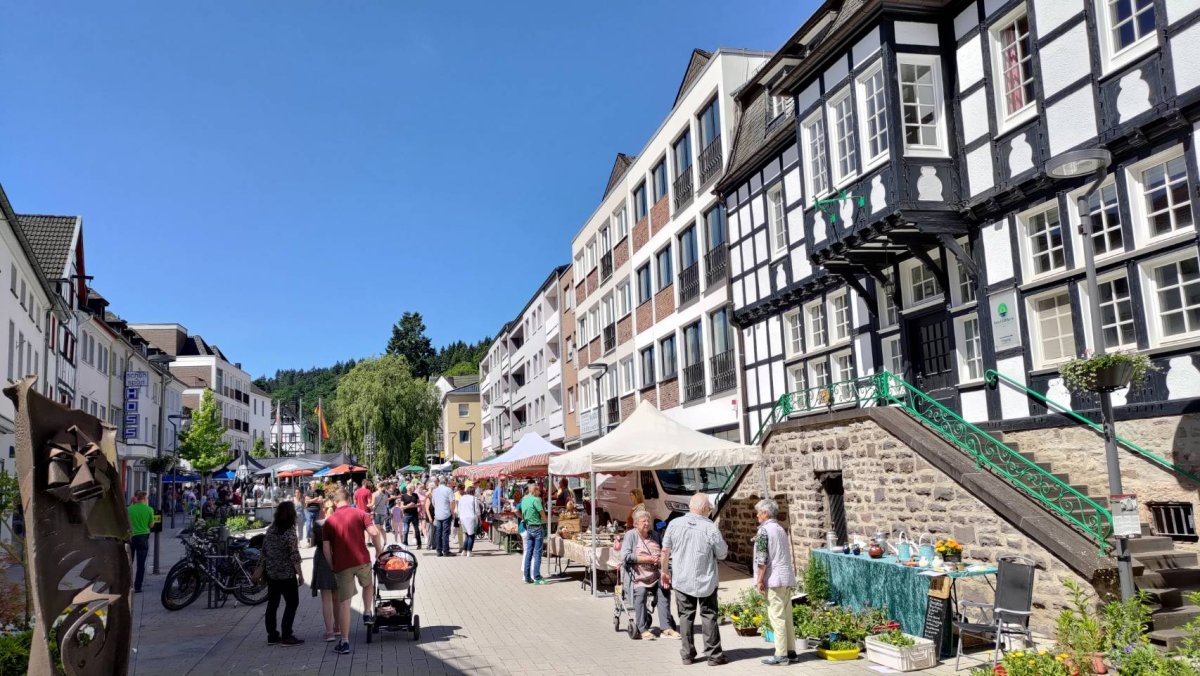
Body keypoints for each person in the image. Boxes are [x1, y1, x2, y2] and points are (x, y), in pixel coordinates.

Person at [661, 493, 728, 666]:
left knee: (685, 616)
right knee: (709, 615)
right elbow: (722, 553)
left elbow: (665, 550)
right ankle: (713, 656)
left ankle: (687, 655)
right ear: (704, 509)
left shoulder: (674, 524)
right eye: (710, 508)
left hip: (682, 578)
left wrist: (664, 571)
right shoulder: (710, 527)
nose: (710, 511)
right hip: (706, 579)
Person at [322, 488, 384, 656]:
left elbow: (326, 548)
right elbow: (374, 532)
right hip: (362, 560)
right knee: (368, 584)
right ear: (349, 499)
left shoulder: (329, 521)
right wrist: (379, 551)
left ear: (335, 502)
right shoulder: (360, 513)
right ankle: (367, 612)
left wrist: (332, 565)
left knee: (345, 604)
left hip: (342, 565)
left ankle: (345, 641)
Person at [622, 509, 680, 640]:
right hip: (637, 577)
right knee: (641, 592)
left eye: (648, 521)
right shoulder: (631, 535)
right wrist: (646, 559)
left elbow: (664, 552)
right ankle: (642, 629)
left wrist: (660, 560)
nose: (647, 523)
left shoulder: (655, 535)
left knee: (664, 588)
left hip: (654, 574)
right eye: (643, 521)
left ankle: (666, 628)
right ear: (636, 523)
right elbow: (625, 556)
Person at [754, 499, 797, 665]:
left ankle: (781, 655)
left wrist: (759, 580)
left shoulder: (764, 531)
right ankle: (791, 651)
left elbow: (762, 559)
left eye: (758, 512)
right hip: (786, 578)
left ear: (765, 513)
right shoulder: (780, 529)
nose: (757, 515)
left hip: (773, 579)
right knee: (787, 617)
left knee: (777, 617)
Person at [262, 501, 305, 647]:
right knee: (292, 603)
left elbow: (264, 550)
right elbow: (294, 555)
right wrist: (300, 574)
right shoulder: (290, 532)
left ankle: (272, 635)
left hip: (272, 573)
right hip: (286, 574)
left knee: (272, 604)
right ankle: (287, 635)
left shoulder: (271, 530)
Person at [310, 499, 340, 643]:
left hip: (322, 559)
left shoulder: (317, 524)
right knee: (337, 597)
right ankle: (338, 627)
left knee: (326, 599)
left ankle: (329, 632)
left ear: (323, 509)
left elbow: (312, 542)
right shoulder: (339, 523)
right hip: (339, 559)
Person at [519, 482, 547, 584]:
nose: (539, 492)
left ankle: (527, 577)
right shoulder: (536, 500)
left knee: (528, 553)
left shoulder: (524, 500)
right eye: (539, 490)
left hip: (528, 527)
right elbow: (542, 514)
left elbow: (523, 515)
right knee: (537, 553)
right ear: (534, 490)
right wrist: (544, 520)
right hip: (537, 527)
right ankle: (537, 577)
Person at [127, 491, 153, 593]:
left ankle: (127, 584)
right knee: (141, 564)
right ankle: (138, 587)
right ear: (145, 499)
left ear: (137, 498)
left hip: (131, 538)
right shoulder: (149, 509)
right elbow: (150, 525)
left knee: (129, 563)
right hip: (143, 538)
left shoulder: (129, 509)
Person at [430, 477, 454, 557]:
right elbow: (452, 502)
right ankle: (446, 551)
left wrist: (437, 509)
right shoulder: (448, 490)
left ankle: (439, 551)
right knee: (445, 533)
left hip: (438, 514)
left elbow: (433, 502)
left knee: (438, 533)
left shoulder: (435, 491)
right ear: (446, 482)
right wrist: (452, 512)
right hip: (446, 513)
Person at [457, 486, 482, 557]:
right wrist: (480, 520)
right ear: (473, 492)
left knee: (467, 535)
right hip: (471, 518)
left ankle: (464, 551)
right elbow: (477, 511)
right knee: (471, 535)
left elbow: (459, 509)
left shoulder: (462, 498)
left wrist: (459, 518)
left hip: (462, 518)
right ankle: (469, 551)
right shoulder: (474, 498)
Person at [400, 484, 422, 549]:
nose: (411, 489)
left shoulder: (415, 495)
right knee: (406, 530)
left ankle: (419, 544)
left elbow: (419, 504)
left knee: (417, 530)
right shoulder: (403, 496)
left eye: (412, 488)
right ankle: (405, 544)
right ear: (407, 489)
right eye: (410, 488)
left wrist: (414, 505)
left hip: (415, 515)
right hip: (407, 515)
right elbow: (402, 507)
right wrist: (409, 505)